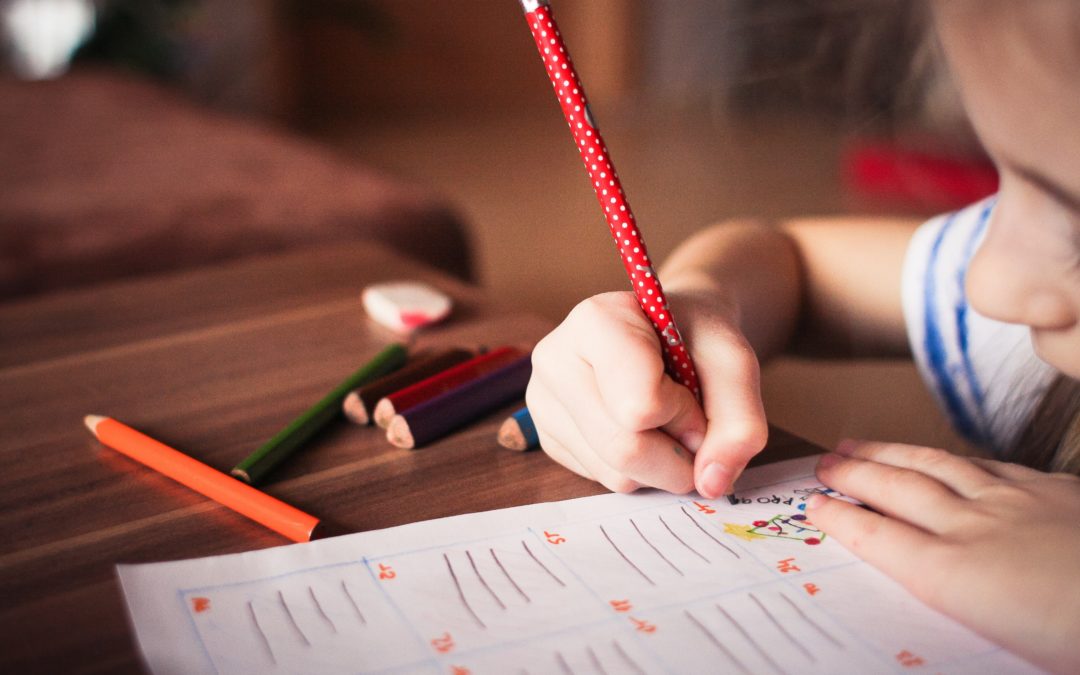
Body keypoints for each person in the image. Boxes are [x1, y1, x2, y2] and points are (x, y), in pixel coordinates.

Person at [524, 1, 1080, 671]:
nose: (985, 282)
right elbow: (793, 261)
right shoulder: (1028, 301)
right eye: (1003, 182)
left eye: (1074, 224)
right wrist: (701, 303)